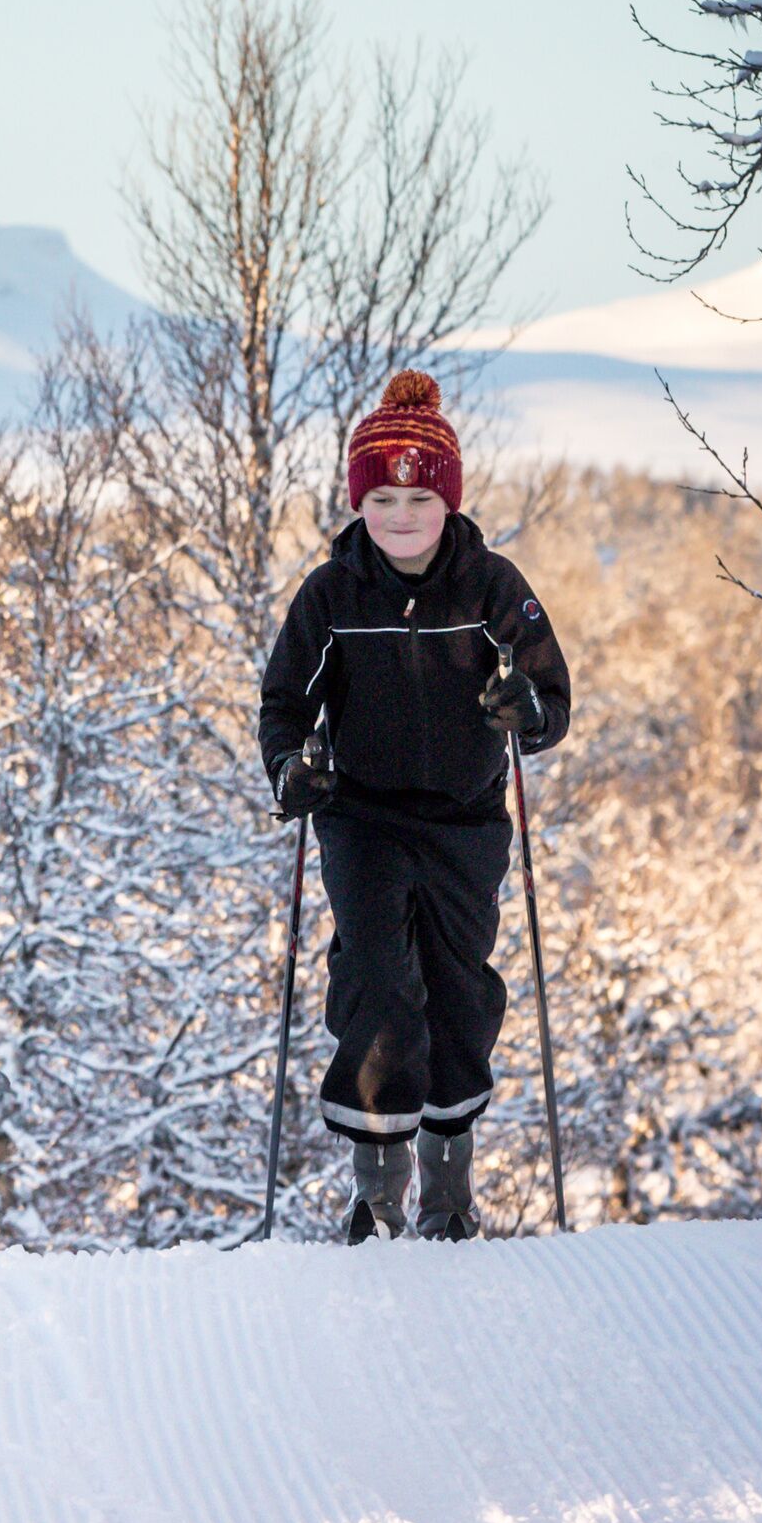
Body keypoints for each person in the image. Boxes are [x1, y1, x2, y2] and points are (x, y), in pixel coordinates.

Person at [257, 370, 572, 1242]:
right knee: (381, 990)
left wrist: (527, 715)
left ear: (449, 500)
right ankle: (376, 1197)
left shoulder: (491, 586)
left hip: (466, 824)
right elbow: (284, 703)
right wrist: (293, 769)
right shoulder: (330, 594)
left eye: (420, 496)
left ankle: (449, 1196)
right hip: (360, 818)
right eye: (383, 496)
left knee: (457, 994)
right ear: (360, 502)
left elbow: (550, 696)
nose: (401, 514)